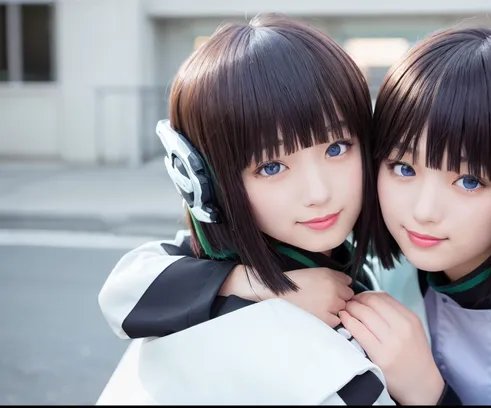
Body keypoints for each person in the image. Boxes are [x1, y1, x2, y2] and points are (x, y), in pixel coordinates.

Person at [99, 24, 491, 405]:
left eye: (468, 179)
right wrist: (265, 284)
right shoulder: (389, 261)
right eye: (403, 168)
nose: (422, 210)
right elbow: (132, 286)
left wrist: (423, 389)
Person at [95, 14, 423, 405]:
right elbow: (122, 294)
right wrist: (261, 286)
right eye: (271, 167)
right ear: (204, 182)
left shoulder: (362, 263)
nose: (318, 193)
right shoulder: (222, 276)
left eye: (336, 148)